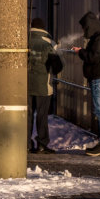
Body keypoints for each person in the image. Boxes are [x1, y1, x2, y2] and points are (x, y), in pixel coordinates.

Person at [72, 11, 100, 156]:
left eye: (84, 28)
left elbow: (92, 57)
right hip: (98, 79)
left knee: (99, 111)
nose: (84, 31)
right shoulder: (99, 37)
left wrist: (80, 51)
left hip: (98, 79)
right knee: (99, 111)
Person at [28, 18, 60, 153]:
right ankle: (42, 143)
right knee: (42, 115)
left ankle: (26, 144)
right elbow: (58, 66)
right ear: (43, 28)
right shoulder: (50, 43)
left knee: (27, 114)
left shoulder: (25, 41)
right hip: (44, 86)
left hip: (26, 85)